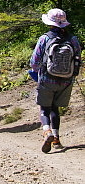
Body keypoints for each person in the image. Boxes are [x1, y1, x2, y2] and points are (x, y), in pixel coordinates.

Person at [29, 8, 81, 153]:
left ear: (50, 23)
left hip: (47, 78)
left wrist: (37, 71)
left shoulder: (44, 38)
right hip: (66, 80)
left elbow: (34, 61)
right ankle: (57, 139)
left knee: (45, 107)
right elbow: (78, 59)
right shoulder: (73, 39)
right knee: (56, 108)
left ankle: (47, 132)